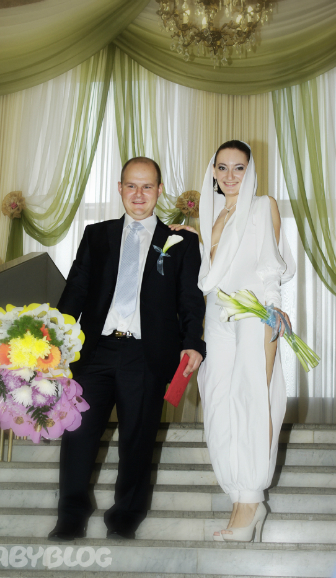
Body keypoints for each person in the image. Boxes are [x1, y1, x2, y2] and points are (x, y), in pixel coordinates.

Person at [48, 157, 206, 541]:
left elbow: (189, 299)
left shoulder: (181, 242)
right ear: (119, 188)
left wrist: (192, 344)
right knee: (78, 435)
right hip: (96, 352)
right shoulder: (97, 234)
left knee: (137, 440)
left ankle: (124, 519)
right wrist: (51, 339)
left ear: (159, 190)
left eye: (147, 186)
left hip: (146, 355)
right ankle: (71, 516)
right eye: (131, 186)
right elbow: (76, 291)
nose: (138, 194)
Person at [170, 140, 295, 542]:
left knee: (252, 399)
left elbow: (269, 263)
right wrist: (193, 237)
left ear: (250, 170)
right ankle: (239, 498)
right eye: (222, 167)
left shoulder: (262, 206)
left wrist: (274, 309)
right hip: (217, 316)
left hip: (253, 310)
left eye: (238, 167)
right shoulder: (209, 215)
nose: (229, 176)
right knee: (218, 403)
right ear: (212, 171)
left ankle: (251, 500)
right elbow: (212, 269)